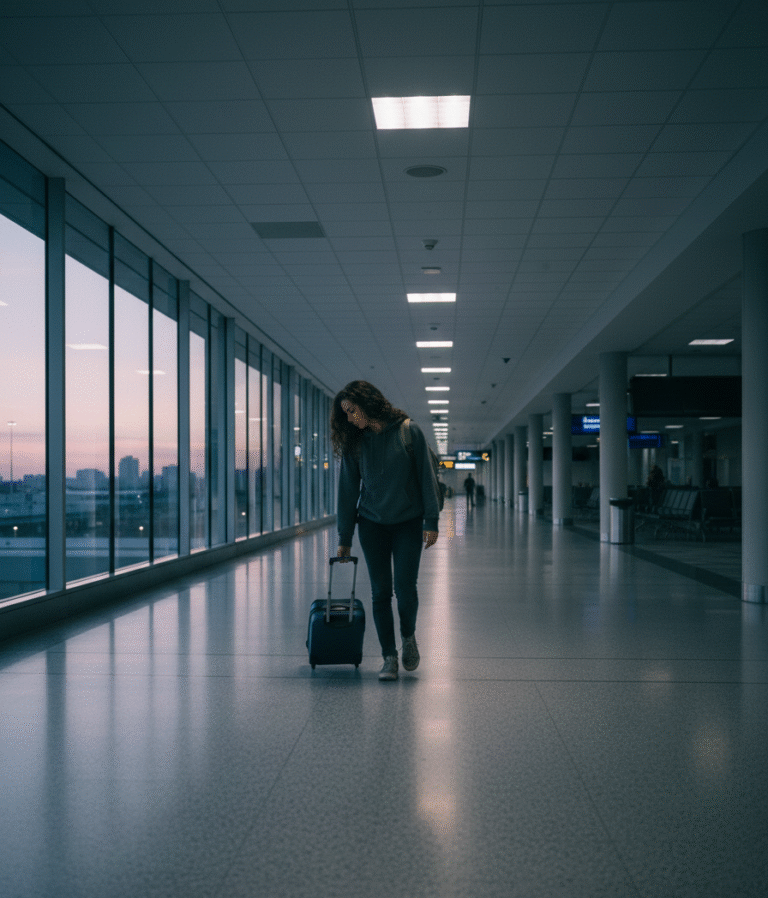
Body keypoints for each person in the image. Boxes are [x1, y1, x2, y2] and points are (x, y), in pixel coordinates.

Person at [331, 381, 441, 681]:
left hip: (407, 522)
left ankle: (408, 637)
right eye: (346, 414)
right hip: (371, 524)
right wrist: (344, 538)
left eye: (353, 411)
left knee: (405, 588)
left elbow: (426, 479)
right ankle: (388, 658)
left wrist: (431, 521)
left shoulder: (409, 431)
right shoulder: (356, 443)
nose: (351, 418)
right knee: (380, 593)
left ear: (367, 404)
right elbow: (347, 490)